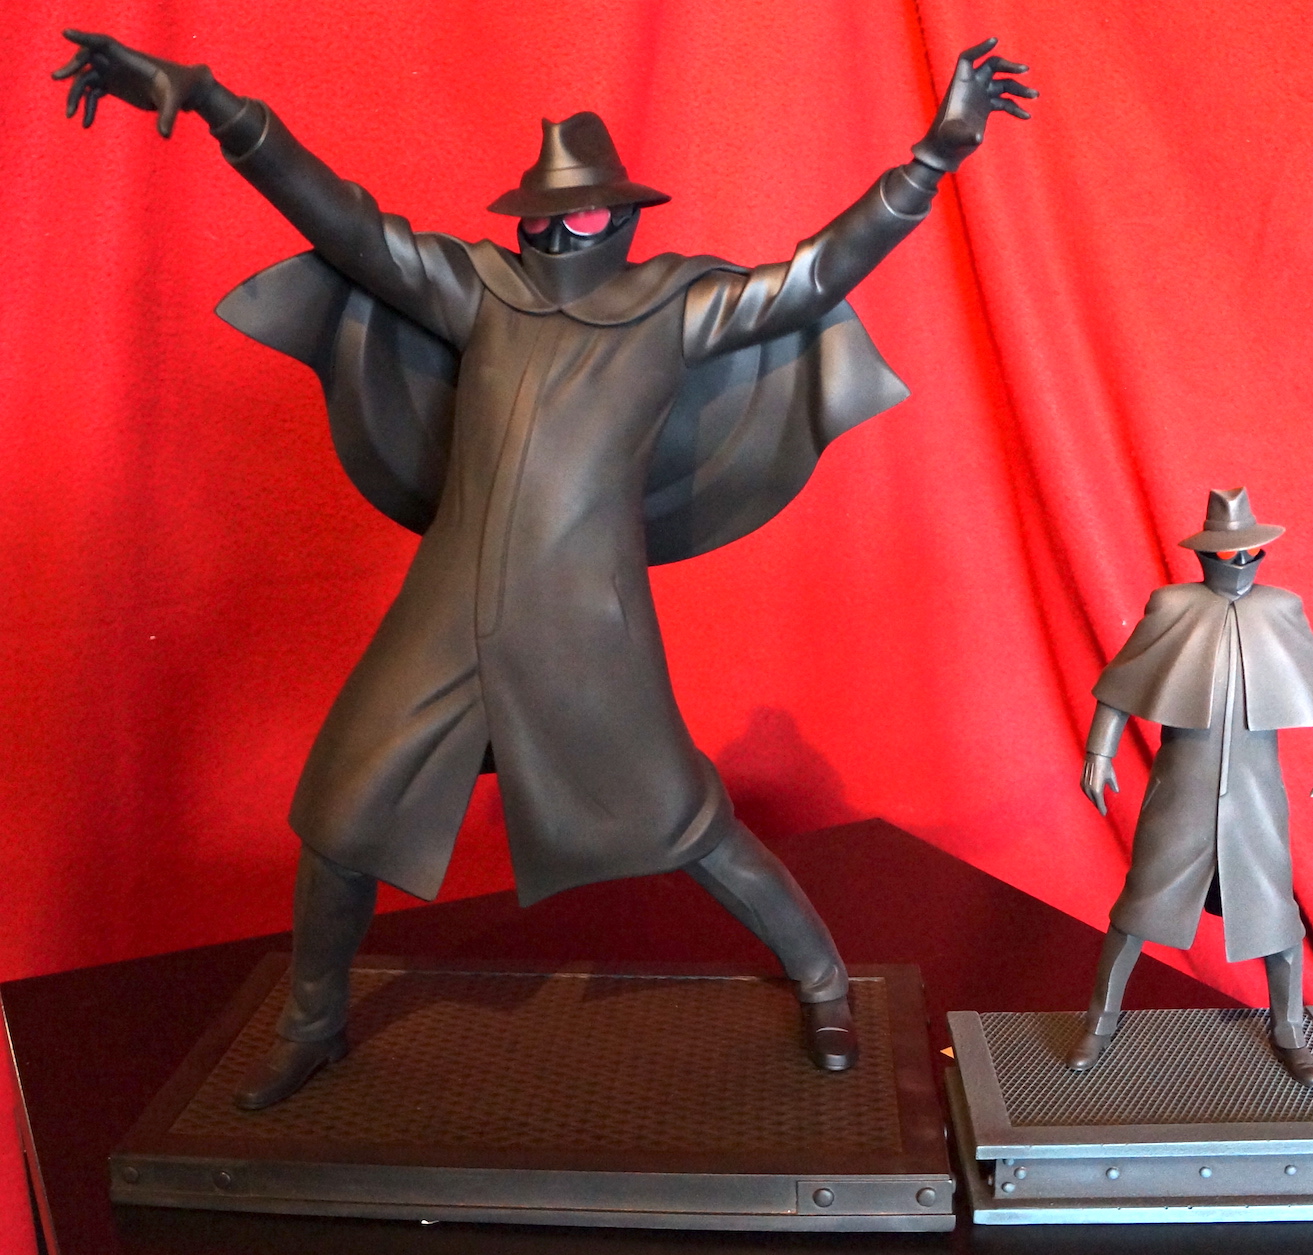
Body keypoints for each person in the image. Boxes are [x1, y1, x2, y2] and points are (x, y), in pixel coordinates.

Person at [54, 28, 1037, 1109]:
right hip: (445, 617)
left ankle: (822, 981)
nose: (559, 235)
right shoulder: (478, 292)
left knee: (685, 821)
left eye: (582, 216)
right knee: (341, 816)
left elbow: (811, 277)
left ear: (623, 215)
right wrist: (213, 102)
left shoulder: (674, 308)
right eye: (542, 219)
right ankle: (312, 1024)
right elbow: (341, 219)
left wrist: (932, 159)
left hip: (586, 628)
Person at [1075, 488, 1313, 1087]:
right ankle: (1099, 1022)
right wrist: (1100, 750)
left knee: (1274, 912)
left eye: (1250, 551)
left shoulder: (1282, 608)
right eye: (1227, 554)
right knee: (1138, 904)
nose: (1240, 563)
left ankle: (1289, 1030)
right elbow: (1121, 680)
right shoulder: (1173, 605)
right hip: (1181, 786)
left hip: (1256, 792)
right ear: (1203, 554)